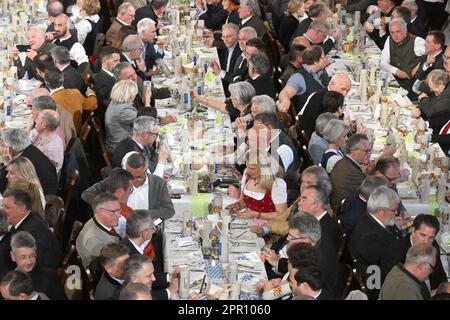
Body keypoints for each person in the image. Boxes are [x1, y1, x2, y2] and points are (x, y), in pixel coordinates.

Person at [262, 212, 339, 297]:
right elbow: (290, 283)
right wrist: (277, 263)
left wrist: (268, 294)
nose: (287, 239)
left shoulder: (317, 264)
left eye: (292, 236)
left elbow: (292, 286)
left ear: (307, 240)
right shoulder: (315, 241)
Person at [349, 185, 399, 299]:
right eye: (393, 210)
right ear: (381, 211)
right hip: (376, 285)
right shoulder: (369, 237)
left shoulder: (367, 219)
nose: (396, 213)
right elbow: (389, 264)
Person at [381, 214, 447, 290]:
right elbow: (392, 286)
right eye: (422, 235)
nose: (426, 241)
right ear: (413, 230)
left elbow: (440, 274)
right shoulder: (394, 252)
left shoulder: (433, 245)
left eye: (431, 237)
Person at [1, 189, 61, 270]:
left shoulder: (31, 233)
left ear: (22, 208)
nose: (2, 210)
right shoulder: (27, 221)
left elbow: (29, 270)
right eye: (2, 206)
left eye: (7, 207)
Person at [226, 149, 287, 224]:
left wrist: (256, 215)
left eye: (252, 168)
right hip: (247, 222)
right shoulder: (247, 176)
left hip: (267, 228)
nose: (248, 170)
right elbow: (244, 200)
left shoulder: (277, 184)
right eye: (247, 166)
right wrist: (237, 205)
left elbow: (282, 215)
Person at [10, 231, 66, 300]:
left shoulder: (50, 278)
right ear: (13, 256)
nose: (29, 261)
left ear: (36, 252)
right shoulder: (8, 279)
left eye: (32, 255)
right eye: (23, 257)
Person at [0, 128, 58, 195]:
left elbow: (4, 188)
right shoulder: (29, 149)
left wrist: (8, 163)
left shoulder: (23, 161)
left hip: (39, 199)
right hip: (38, 192)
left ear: (10, 149)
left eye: (2, 144)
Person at [277, 45, 329, 113]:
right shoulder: (299, 77)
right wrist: (285, 100)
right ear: (316, 61)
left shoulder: (318, 71)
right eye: (323, 57)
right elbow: (285, 92)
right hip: (315, 116)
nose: (326, 59)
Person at [45, 66, 97, 134]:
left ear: (46, 83)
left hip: (63, 140)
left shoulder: (49, 102)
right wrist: (91, 94)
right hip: (76, 135)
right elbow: (93, 104)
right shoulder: (75, 93)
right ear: (63, 79)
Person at [298, 72, 352, 137]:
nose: (345, 94)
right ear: (332, 84)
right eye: (343, 89)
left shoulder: (333, 97)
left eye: (347, 91)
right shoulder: (322, 98)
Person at [76, 193, 122, 267]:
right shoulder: (95, 239)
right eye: (114, 212)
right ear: (99, 212)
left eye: (119, 210)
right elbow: (111, 267)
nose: (119, 215)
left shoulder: (96, 221)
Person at [330, 134, 371, 214]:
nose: (369, 154)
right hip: (345, 213)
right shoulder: (351, 173)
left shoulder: (345, 162)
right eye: (366, 151)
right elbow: (371, 193)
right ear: (353, 151)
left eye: (370, 150)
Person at [380, 18, 425, 90]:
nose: (395, 35)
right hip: (392, 79)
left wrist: (417, 67)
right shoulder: (389, 39)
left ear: (405, 30)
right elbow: (383, 62)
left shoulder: (417, 41)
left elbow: (430, 55)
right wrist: (397, 71)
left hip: (410, 84)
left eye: (398, 31)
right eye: (392, 32)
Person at [298, 185, 342, 254]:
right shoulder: (306, 217)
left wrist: (279, 261)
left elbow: (308, 261)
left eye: (303, 200)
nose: (299, 203)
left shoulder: (325, 233)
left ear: (317, 205)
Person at [104, 80, 140, 151]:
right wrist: (147, 101)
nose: (135, 96)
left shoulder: (114, 102)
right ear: (129, 95)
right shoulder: (123, 111)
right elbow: (145, 121)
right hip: (120, 148)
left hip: (114, 142)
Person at [414, 70, 450, 134]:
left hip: (439, 133)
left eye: (432, 87)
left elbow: (429, 111)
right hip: (430, 123)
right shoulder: (438, 90)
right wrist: (418, 108)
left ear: (441, 83)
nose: (430, 90)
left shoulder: (447, 97)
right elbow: (428, 101)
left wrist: (423, 98)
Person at [410, 30, 445, 96]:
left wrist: (427, 64)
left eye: (428, 42)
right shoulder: (427, 55)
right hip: (411, 89)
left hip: (421, 96)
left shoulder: (441, 64)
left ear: (437, 46)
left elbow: (429, 86)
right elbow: (416, 75)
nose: (424, 44)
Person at [30, 110, 65, 176]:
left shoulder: (51, 149)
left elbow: (42, 174)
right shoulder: (48, 134)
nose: (35, 121)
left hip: (42, 181)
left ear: (44, 125)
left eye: (38, 118)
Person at [209, 23, 242, 92]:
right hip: (224, 80)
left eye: (229, 36)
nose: (225, 40)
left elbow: (236, 78)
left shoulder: (240, 53)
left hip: (231, 89)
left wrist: (220, 72)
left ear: (237, 36)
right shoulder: (229, 46)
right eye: (223, 37)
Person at [94, 46, 121, 121]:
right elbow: (106, 106)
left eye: (119, 60)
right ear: (104, 60)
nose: (119, 63)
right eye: (115, 61)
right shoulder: (103, 82)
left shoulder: (112, 76)